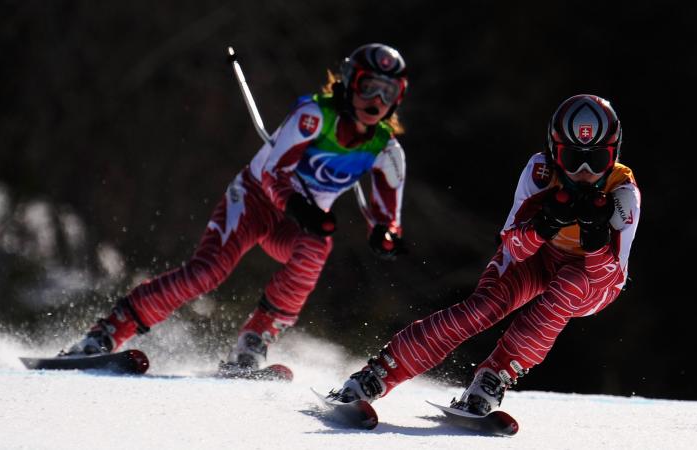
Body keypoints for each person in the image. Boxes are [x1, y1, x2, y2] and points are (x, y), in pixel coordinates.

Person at [63, 43, 410, 373]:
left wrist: (386, 236)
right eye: (369, 88)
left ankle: (253, 341)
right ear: (350, 82)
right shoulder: (314, 116)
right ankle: (105, 333)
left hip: (293, 224)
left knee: (317, 246)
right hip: (253, 201)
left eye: (388, 93)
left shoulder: (387, 151)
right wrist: (301, 208)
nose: (377, 101)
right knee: (207, 272)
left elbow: (386, 216)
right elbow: (275, 174)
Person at [331, 94, 641, 415]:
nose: (584, 172)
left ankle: (495, 376)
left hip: (590, 278)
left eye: (597, 160)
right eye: (572, 159)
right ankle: (380, 372)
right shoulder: (539, 172)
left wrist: (594, 241)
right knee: (482, 308)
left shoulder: (623, 193)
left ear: (614, 155)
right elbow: (510, 246)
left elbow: (609, 277)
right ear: (553, 151)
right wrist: (542, 226)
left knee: (569, 285)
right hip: (537, 257)